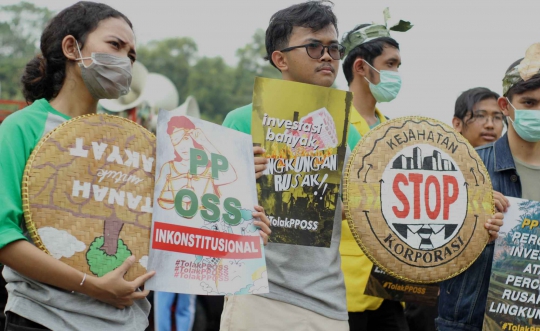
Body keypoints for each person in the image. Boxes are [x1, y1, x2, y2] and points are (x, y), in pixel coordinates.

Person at [0, 2, 157, 330]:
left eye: (132, 55)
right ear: (72, 48)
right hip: (43, 320)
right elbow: (3, 234)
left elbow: (158, 226)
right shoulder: (22, 128)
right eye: (115, 45)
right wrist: (90, 285)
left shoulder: (130, 142)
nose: (126, 61)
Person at [220, 1, 349, 330]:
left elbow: (356, 210)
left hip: (328, 300)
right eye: (313, 46)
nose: (326, 56)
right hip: (256, 294)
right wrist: (236, 180)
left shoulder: (349, 130)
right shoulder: (240, 120)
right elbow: (210, 209)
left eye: (334, 48)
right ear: (280, 59)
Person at [435, 45, 540, 330]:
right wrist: (471, 227)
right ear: (506, 106)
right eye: (529, 103)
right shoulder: (467, 168)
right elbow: (428, 246)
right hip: (469, 321)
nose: (538, 112)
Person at [339, 22, 409, 331]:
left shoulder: (395, 131)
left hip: (391, 285)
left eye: (398, 66)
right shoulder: (328, 125)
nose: (396, 74)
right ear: (361, 67)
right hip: (344, 286)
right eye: (390, 64)